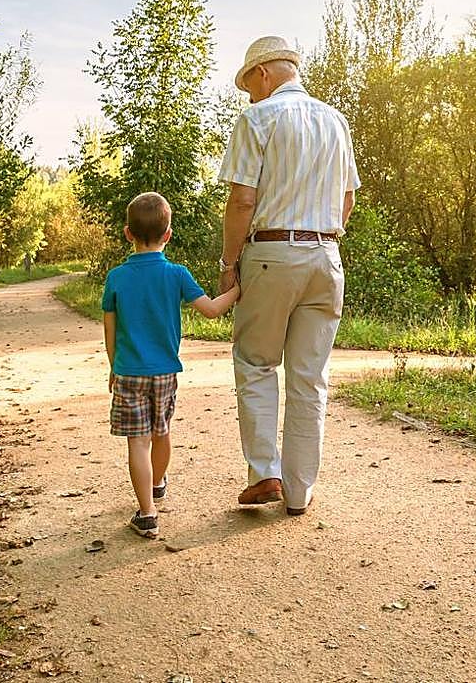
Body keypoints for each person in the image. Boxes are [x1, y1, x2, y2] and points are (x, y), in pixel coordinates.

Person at [217, 35, 360, 516]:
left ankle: (264, 474)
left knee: (257, 363)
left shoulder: (258, 118)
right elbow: (348, 200)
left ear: (262, 74)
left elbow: (242, 200)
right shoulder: (336, 121)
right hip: (327, 255)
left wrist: (228, 263)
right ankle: (299, 492)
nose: (249, 96)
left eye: (248, 85)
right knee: (309, 376)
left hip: (271, 253)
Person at [102, 192, 240, 537]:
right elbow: (211, 309)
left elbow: (110, 329)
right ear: (168, 234)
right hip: (165, 372)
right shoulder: (176, 274)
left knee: (138, 441)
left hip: (129, 371)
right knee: (161, 431)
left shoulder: (116, 278)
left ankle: (147, 514)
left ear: (127, 233)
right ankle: (158, 482)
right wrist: (239, 289)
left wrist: (113, 366)